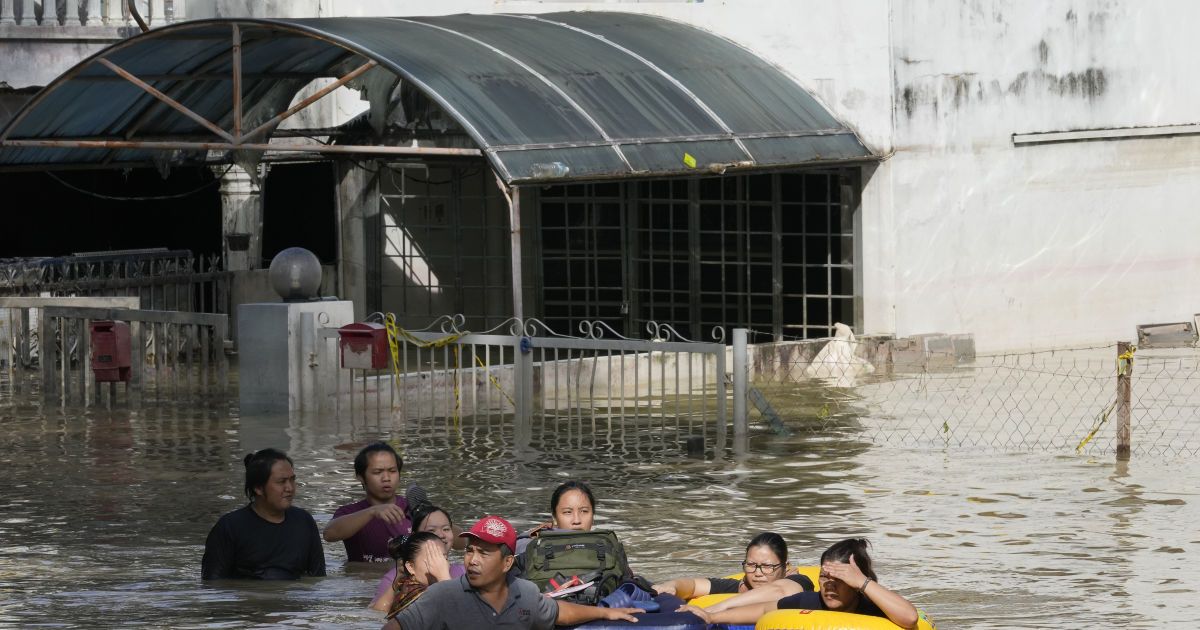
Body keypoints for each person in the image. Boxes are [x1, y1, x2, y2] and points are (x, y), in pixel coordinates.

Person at [381, 515, 644, 629]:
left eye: (484, 553)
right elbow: (395, 627)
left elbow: (558, 612)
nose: (473, 560)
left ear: (507, 563)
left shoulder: (525, 593)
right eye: (470, 550)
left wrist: (605, 612)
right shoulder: (442, 595)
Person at [678, 538, 919, 629]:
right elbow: (764, 610)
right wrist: (711, 616)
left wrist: (862, 582)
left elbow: (910, 618)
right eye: (824, 576)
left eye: (839, 579)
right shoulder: (810, 602)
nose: (829, 585)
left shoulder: (873, 607)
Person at [201, 448, 326, 580]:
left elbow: (318, 578)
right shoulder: (229, 527)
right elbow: (212, 584)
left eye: (292, 480)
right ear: (258, 488)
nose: (290, 488)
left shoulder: (304, 521)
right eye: (281, 482)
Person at [652, 532, 813, 599]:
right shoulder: (743, 586)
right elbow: (695, 585)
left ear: (785, 567)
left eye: (767, 566)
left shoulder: (801, 581)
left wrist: (713, 611)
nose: (758, 573)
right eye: (751, 564)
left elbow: (780, 592)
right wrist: (672, 586)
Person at [324, 442, 410, 563]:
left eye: (392, 471)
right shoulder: (349, 512)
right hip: (364, 575)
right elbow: (329, 534)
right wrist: (372, 511)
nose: (386, 478)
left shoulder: (414, 508)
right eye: (377, 472)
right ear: (360, 477)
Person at [370, 504, 466, 612]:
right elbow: (377, 613)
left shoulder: (465, 572)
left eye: (446, 529)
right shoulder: (396, 576)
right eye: (431, 531)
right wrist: (396, 584)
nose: (441, 535)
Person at [511, 480, 598, 577]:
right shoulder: (530, 547)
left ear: (593, 516)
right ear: (555, 518)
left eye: (584, 511)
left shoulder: (606, 546)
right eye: (568, 512)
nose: (577, 520)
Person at [379, 532, 452, 620]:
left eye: (444, 558)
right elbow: (458, 614)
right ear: (411, 567)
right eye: (432, 559)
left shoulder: (409, 586)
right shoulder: (416, 595)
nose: (441, 564)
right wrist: (444, 577)